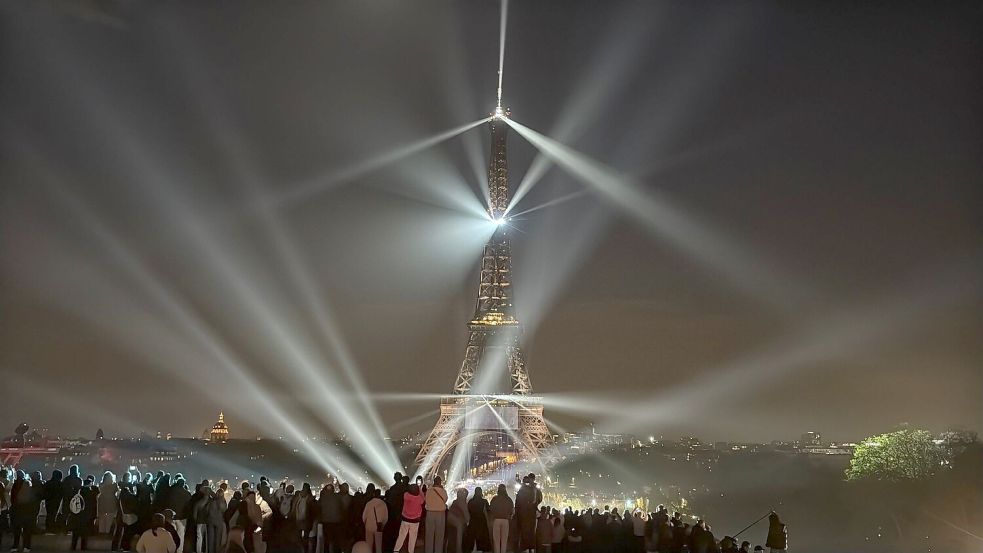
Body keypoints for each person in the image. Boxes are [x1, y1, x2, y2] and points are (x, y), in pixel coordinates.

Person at [69, 475, 99, 551]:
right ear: (90, 484)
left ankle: (73, 547)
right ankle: (83, 547)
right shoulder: (91, 493)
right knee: (85, 533)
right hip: (87, 516)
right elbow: (94, 505)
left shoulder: (78, 492)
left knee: (76, 533)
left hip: (77, 514)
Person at [393, 483, 425, 553]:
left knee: (401, 536)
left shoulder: (406, 495)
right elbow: (423, 498)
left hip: (405, 519)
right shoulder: (419, 499)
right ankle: (411, 551)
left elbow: (407, 491)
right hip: (415, 521)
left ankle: (396, 550)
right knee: (412, 538)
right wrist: (420, 489)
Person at [9, 470, 33, 552]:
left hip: (16, 509)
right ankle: (26, 546)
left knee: (17, 529)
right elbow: (31, 497)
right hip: (26, 509)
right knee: (27, 530)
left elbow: (12, 498)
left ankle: (15, 546)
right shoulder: (28, 483)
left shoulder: (14, 484)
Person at [423, 477, 447, 553]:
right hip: (440, 514)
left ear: (434, 482)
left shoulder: (429, 491)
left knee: (429, 534)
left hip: (430, 513)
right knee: (439, 535)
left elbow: (425, 500)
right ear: (440, 482)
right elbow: (445, 499)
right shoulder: (443, 491)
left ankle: (428, 551)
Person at [463, 487, 490, 553]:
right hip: (482, 521)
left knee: (472, 537)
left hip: (473, 520)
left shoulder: (471, 501)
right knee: (481, 536)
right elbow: (488, 510)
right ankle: (480, 549)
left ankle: (471, 549)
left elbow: (468, 510)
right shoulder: (484, 501)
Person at [488, 485, 512, 553]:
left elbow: (491, 509)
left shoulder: (494, 499)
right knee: (504, 541)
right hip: (505, 520)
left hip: (496, 520)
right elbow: (511, 510)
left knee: (496, 541)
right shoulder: (508, 499)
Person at [362, 488, 387, 553]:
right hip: (379, 527)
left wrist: (365, 524)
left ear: (373, 494)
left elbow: (364, 516)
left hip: (369, 526)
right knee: (378, 547)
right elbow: (386, 517)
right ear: (380, 494)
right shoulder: (383, 504)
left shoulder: (369, 503)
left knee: (369, 545)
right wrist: (382, 525)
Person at [445, 489, 469, 553]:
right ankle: (459, 549)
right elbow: (466, 514)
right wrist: (468, 520)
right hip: (455, 520)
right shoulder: (461, 502)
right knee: (460, 527)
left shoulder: (455, 501)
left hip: (450, 519)